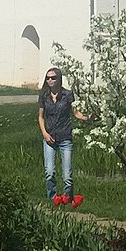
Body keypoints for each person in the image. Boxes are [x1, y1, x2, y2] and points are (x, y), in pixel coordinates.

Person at [38, 67, 88, 201]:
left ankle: (67, 197)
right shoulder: (44, 95)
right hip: (49, 137)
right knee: (49, 172)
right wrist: (44, 133)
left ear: (59, 79)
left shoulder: (67, 94)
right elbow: (41, 117)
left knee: (67, 175)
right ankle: (52, 197)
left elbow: (76, 112)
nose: (50, 80)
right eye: (48, 78)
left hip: (65, 137)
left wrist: (86, 118)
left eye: (53, 77)